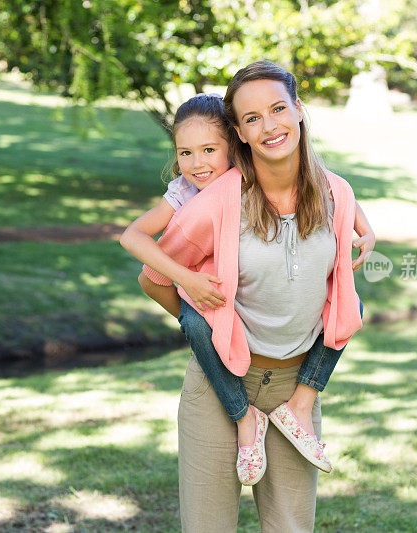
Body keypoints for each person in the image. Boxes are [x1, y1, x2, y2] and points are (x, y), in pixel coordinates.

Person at [130, 61, 371, 531]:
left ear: (299, 110)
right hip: (219, 386)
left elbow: (343, 295)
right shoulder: (217, 201)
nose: (270, 125)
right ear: (240, 132)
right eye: (253, 118)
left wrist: (369, 232)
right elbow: (152, 275)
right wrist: (206, 323)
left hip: (295, 385)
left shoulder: (335, 195)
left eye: (279, 109)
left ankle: (297, 405)